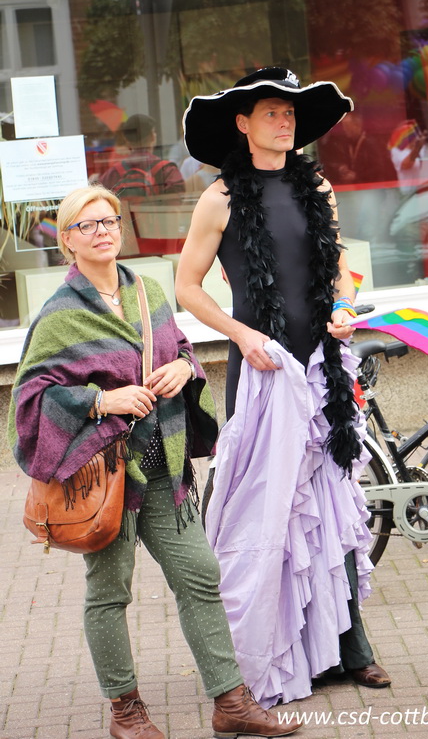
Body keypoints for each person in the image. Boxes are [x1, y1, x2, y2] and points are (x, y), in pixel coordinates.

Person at [8, 185, 300, 739]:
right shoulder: (60, 315)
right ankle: (126, 712)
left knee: (200, 576)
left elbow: (181, 348)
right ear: (68, 241)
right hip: (105, 474)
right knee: (109, 591)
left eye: (109, 221)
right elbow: (29, 398)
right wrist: (101, 400)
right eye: (87, 225)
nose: (102, 232)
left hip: (163, 466)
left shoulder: (148, 292)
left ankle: (231, 702)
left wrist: (185, 369)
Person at [176, 67, 391, 707]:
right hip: (264, 369)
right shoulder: (219, 198)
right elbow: (187, 288)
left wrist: (344, 306)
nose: (285, 121)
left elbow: (338, 265)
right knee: (269, 507)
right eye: (273, 112)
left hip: (322, 366)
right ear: (243, 124)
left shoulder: (316, 186)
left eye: (291, 113)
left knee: (333, 500)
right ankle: (270, 648)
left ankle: (352, 649)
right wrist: (242, 335)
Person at [100, 114, 185, 197]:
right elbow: (177, 200)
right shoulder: (167, 171)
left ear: (126, 140)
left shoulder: (113, 173)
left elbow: (101, 196)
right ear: (152, 137)